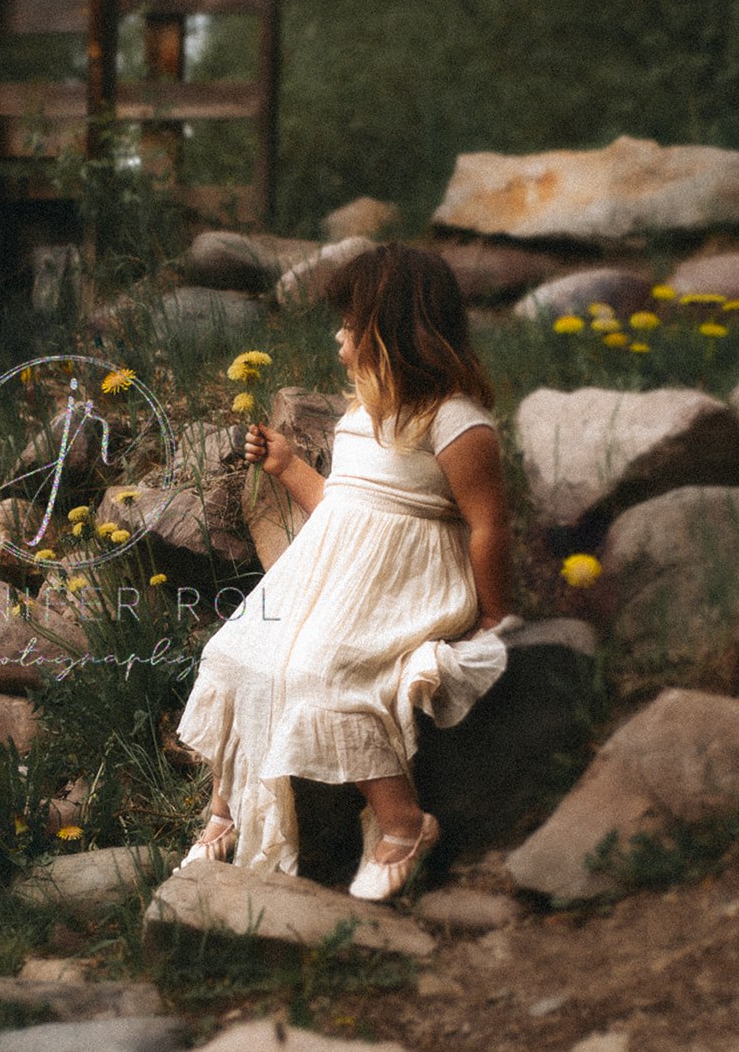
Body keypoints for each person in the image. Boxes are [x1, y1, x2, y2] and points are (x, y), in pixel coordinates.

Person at [175, 242, 515, 901]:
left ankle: (403, 823)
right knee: (239, 652)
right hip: (338, 580)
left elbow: (488, 525)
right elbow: (343, 510)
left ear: (389, 334)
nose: (338, 335)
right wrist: (285, 466)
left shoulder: (456, 421)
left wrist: (493, 612)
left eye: (350, 324)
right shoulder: (361, 416)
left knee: (323, 673)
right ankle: (228, 811)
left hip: (405, 586)